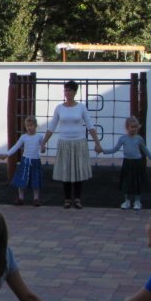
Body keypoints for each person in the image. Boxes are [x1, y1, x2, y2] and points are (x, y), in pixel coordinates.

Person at [40, 81, 102, 210]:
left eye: (69, 90)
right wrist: (44, 142)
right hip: (64, 143)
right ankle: (67, 199)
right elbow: (52, 126)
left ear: (75, 92)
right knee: (66, 171)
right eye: (65, 90)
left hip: (79, 142)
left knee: (78, 171)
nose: (67, 93)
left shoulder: (81, 107)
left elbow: (90, 126)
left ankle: (78, 199)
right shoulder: (59, 108)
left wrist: (97, 143)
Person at [100, 116, 151, 211]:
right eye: (132, 127)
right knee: (126, 182)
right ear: (127, 127)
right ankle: (127, 201)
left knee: (137, 182)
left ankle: (137, 201)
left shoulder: (139, 139)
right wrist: (103, 151)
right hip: (127, 163)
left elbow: (145, 151)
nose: (134, 129)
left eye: (135, 127)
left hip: (137, 163)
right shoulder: (123, 139)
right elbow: (115, 149)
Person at [1, 115, 44, 206]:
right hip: (25, 160)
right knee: (22, 178)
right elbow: (16, 146)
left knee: (35, 179)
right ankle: (21, 198)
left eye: (31, 125)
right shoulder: (23, 137)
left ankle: (36, 198)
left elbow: (42, 148)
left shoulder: (39, 137)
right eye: (27, 126)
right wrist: (7, 154)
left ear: (35, 126)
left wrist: (43, 149)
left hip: (35, 160)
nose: (29, 127)